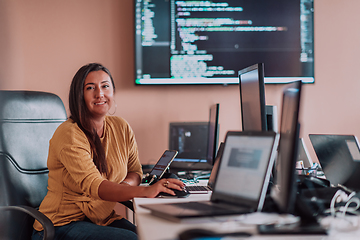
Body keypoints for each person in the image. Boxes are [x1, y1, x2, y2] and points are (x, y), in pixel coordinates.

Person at [32, 63, 185, 240]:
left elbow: (135, 171)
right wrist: (146, 191)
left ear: (113, 92)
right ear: (79, 95)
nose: (100, 94)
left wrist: (124, 187)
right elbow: (96, 187)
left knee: (151, 235)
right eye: (90, 88)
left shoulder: (121, 127)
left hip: (100, 219)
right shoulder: (70, 134)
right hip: (60, 224)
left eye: (105, 86)